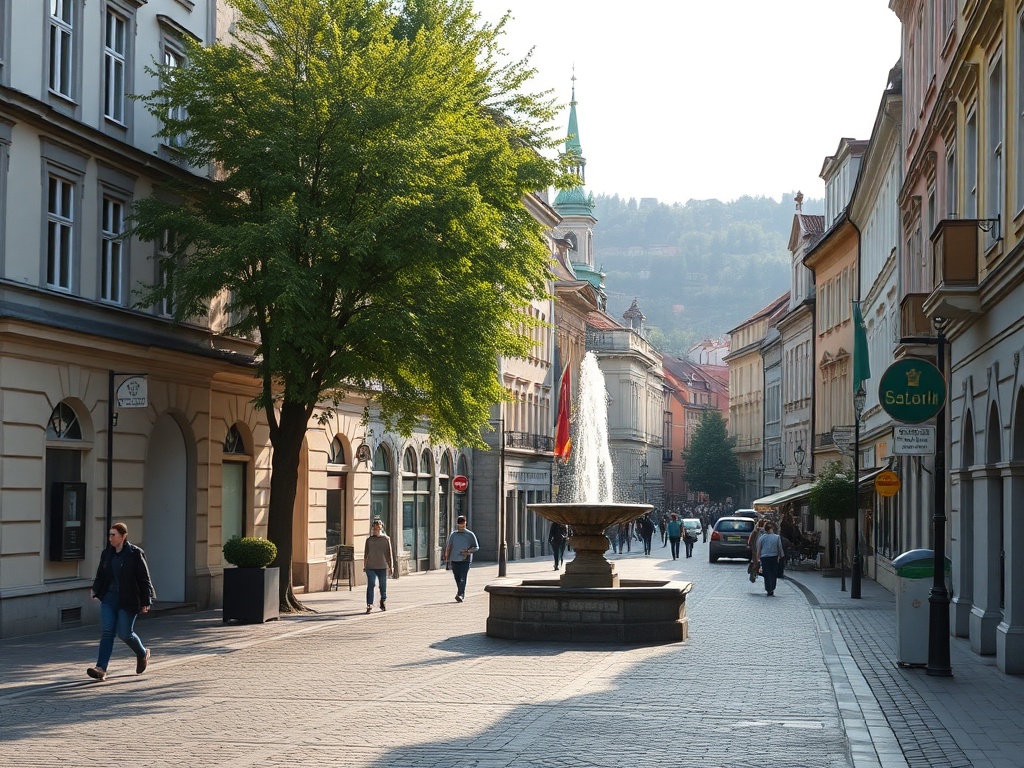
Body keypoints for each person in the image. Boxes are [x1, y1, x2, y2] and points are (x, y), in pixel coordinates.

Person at [87, 521, 155, 681]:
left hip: (128, 598)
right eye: (109, 534)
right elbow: (100, 574)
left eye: (113, 535)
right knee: (107, 631)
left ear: (123, 536)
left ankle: (142, 653)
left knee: (125, 633)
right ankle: (100, 668)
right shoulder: (107, 553)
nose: (110, 538)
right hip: (109, 597)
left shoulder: (135, 553)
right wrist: (95, 589)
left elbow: (144, 579)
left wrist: (146, 600)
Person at [442, 516, 479, 602]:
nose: (461, 525)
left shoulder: (470, 534)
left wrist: (468, 551)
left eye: (463, 523)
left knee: (463, 577)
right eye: (460, 523)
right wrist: (446, 555)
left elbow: (476, 547)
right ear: (457, 524)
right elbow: (449, 546)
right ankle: (460, 592)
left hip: (465, 559)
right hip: (454, 559)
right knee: (457, 577)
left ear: (465, 523)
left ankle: (461, 594)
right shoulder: (453, 535)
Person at [363, 519, 394, 613]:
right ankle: (369, 604)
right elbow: (366, 553)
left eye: (377, 529)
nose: (375, 530)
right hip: (370, 566)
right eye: (374, 529)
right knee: (371, 584)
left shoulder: (386, 539)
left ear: (381, 529)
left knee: (383, 585)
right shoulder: (369, 540)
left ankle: (383, 601)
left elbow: (389, 554)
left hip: (382, 566)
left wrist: (391, 566)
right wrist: (365, 565)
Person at [756, 521, 786, 597]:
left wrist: (758, 559)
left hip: (764, 557)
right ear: (771, 528)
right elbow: (779, 548)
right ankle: (772, 587)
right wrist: (780, 556)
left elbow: (759, 549)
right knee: (773, 573)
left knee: (766, 573)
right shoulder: (777, 537)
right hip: (773, 557)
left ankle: (768, 588)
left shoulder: (762, 538)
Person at [747, 518, 766, 584]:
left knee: (756, 562)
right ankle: (755, 573)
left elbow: (750, 540)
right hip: (763, 550)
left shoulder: (755, 532)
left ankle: (754, 573)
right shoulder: (765, 532)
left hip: (756, 550)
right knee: (758, 563)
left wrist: (751, 547)